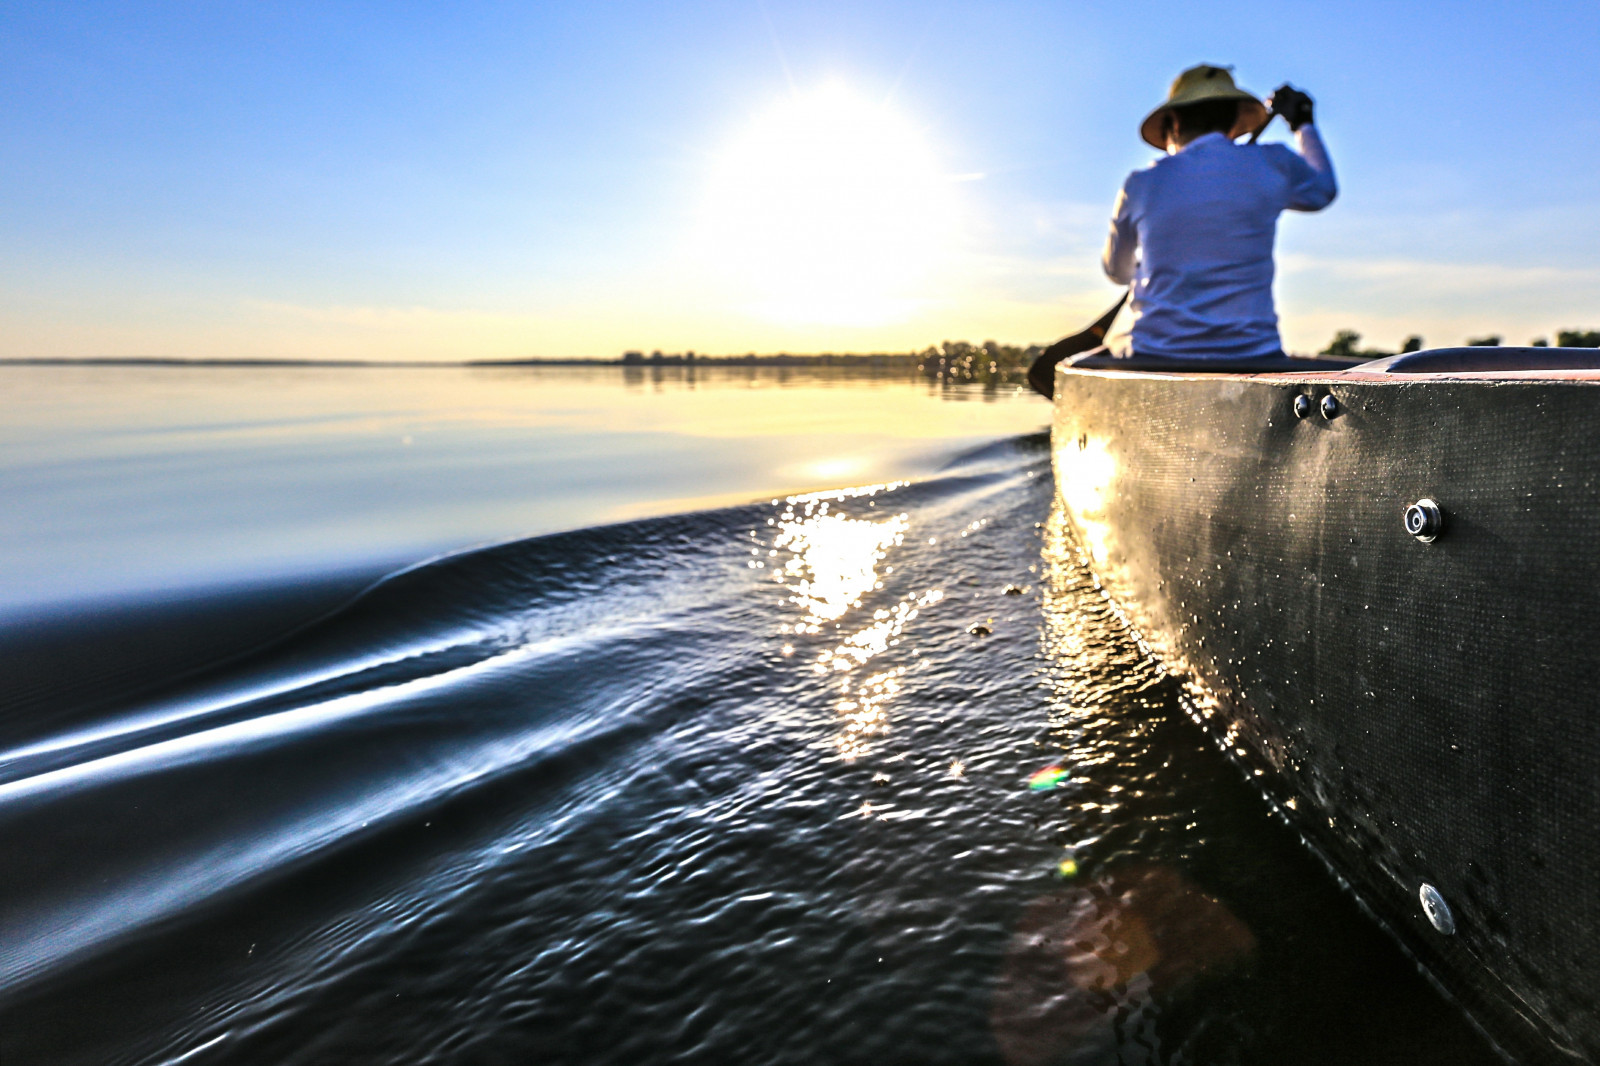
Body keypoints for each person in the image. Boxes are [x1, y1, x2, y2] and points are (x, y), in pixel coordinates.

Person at [1099, 64, 1336, 361]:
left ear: (1173, 123)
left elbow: (1115, 271)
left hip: (1157, 351)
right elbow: (1324, 190)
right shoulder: (1273, 162)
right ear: (1235, 119)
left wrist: (1142, 269)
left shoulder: (1140, 183)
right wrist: (1303, 124)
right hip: (1254, 353)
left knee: (1112, 347)